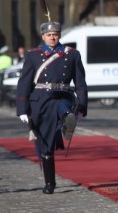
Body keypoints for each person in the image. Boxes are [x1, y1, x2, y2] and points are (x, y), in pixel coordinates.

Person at [16, 21, 88, 194]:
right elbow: (24, 82)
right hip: (41, 101)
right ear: (43, 37)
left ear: (59, 35)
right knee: (46, 144)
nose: (52, 37)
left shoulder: (71, 55)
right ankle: (50, 183)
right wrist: (22, 109)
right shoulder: (33, 55)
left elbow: (80, 82)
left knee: (64, 107)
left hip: (63, 95)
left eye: (55, 34)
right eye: (49, 35)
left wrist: (83, 104)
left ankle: (66, 121)